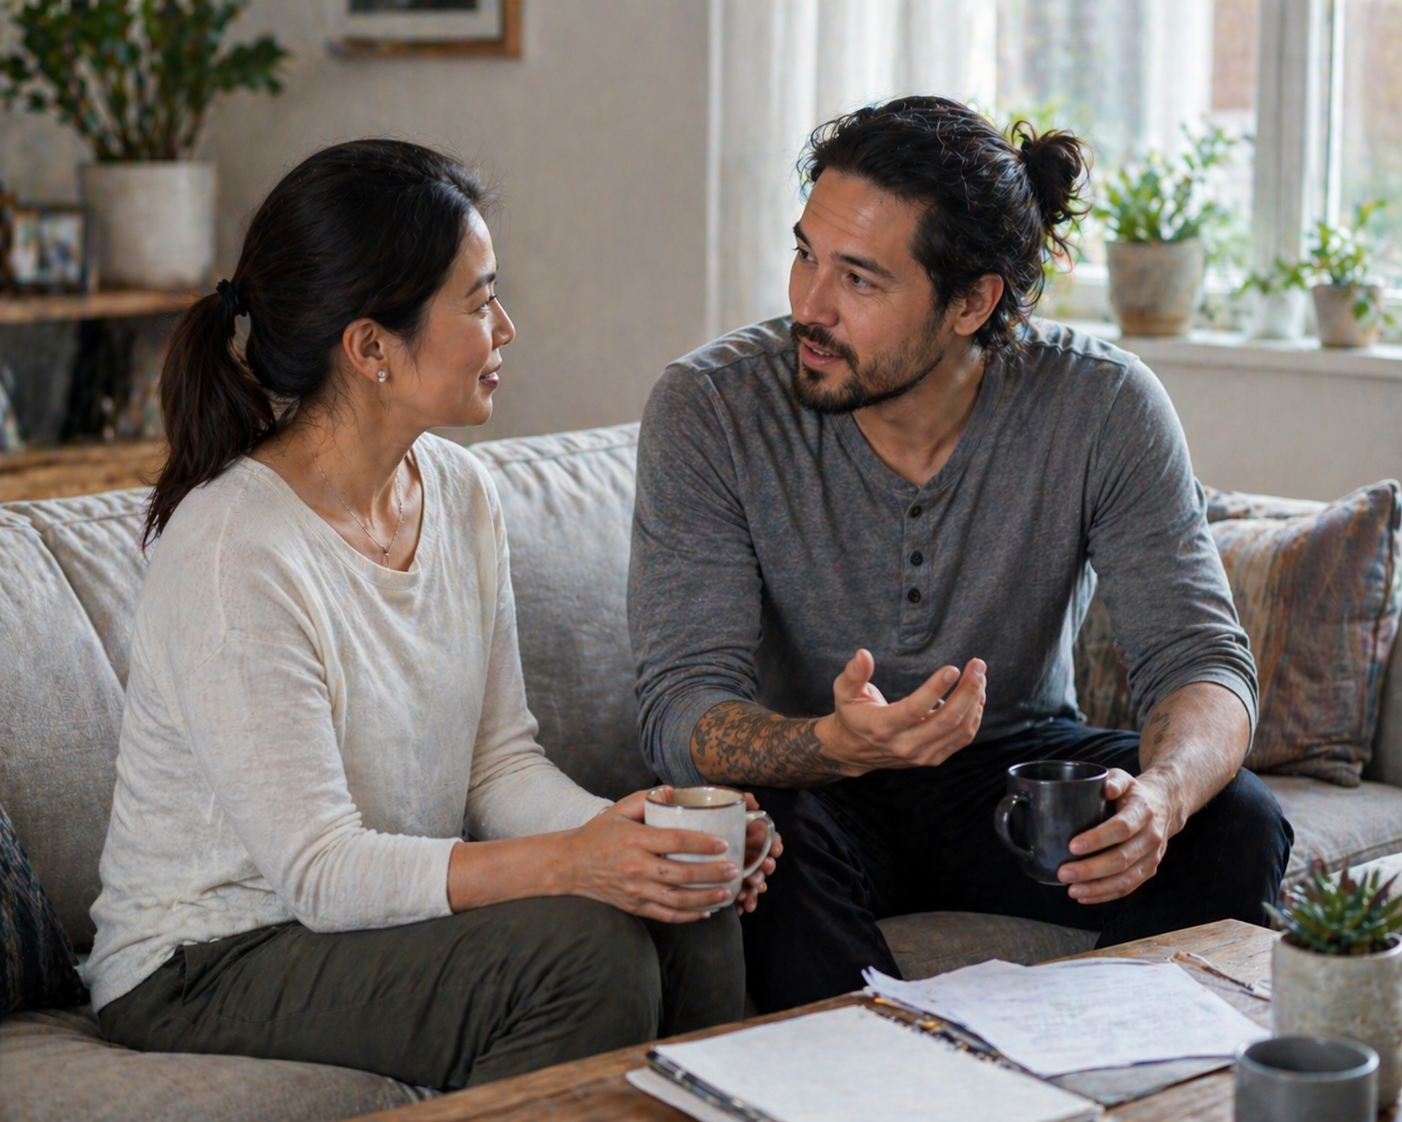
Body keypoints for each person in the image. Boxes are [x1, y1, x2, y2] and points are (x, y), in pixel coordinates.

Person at [84, 139, 778, 1089]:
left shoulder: (460, 492)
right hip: (205, 958)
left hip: (348, 925)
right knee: (588, 953)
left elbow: (498, 766)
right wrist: (574, 864)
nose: (508, 326)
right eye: (480, 299)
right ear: (371, 348)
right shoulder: (233, 551)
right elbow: (320, 872)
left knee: (688, 910)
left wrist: (643, 838)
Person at [628, 96, 1293, 1014]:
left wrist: (1163, 800)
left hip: (1012, 775)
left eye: (859, 279)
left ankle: (1134, 1078)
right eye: (805, 254)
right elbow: (679, 710)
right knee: (746, 832)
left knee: (1236, 818)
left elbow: (1202, 661)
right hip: (815, 784)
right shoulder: (710, 409)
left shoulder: (1101, 405)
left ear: (971, 301)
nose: (807, 306)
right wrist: (827, 742)